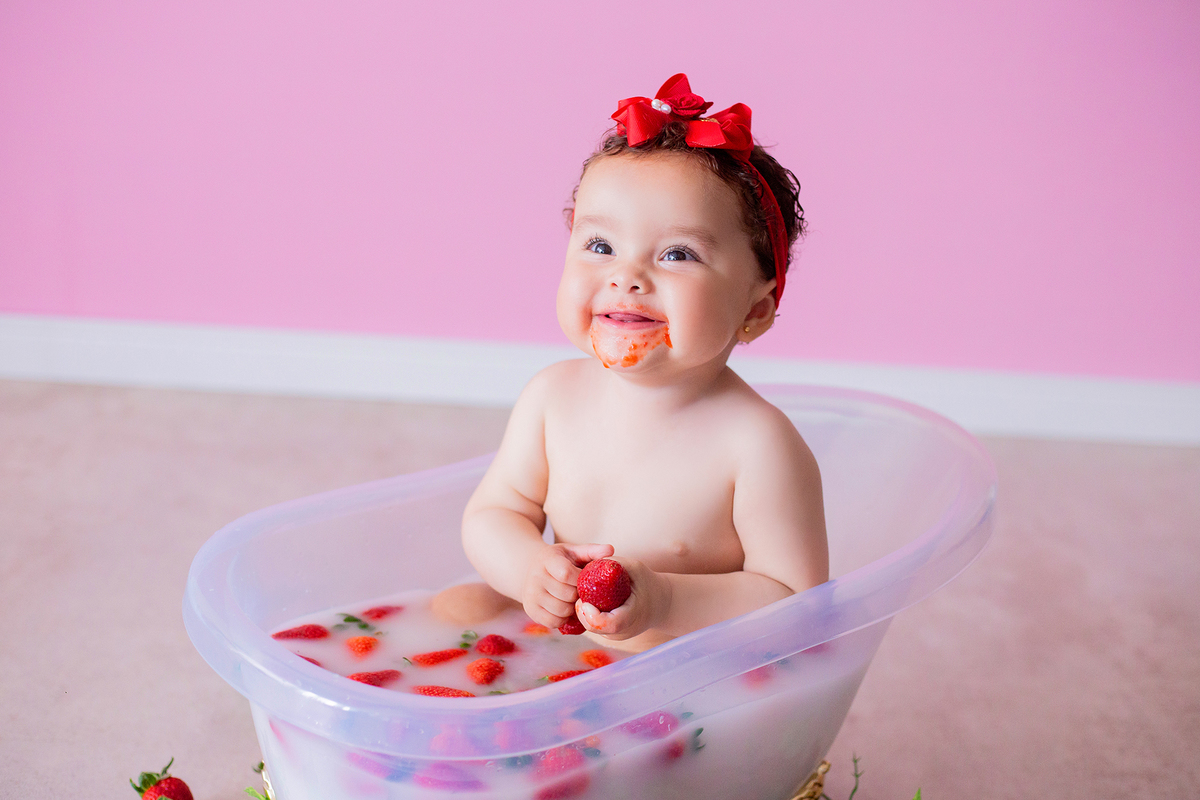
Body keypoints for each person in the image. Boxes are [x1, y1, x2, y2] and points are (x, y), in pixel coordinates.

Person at [448, 74, 828, 653]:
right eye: (600, 246)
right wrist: (531, 569)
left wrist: (666, 600)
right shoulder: (553, 397)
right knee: (457, 607)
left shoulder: (756, 443)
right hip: (570, 644)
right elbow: (495, 513)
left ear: (755, 308)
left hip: (681, 678)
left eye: (678, 254)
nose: (626, 277)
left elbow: (794, 604)